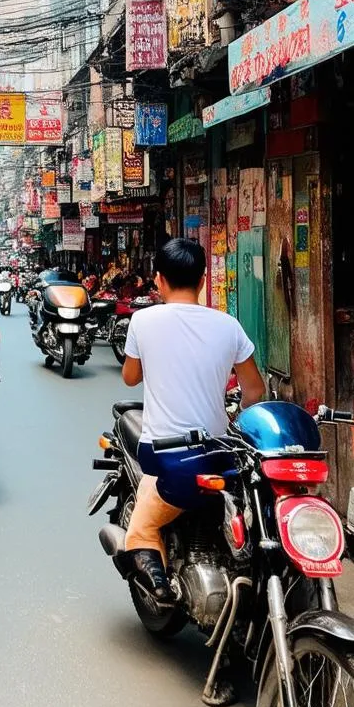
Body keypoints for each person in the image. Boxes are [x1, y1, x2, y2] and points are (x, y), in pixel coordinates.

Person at [121, 238, 265, 607]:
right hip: (219, 454)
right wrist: (231, 419)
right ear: (203, 280)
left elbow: (130, 378)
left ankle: (161, 591)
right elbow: (253, 391)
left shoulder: (143, 320)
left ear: (159, 280)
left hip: (167, 458)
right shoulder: (228, 325)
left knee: (141, 530)